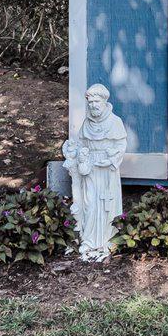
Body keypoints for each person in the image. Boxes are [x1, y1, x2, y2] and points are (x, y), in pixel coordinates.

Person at [62, 84, 127, 259]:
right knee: (89, 204)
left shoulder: (115, 122)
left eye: (96, 102)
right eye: (90, 103)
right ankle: (89, 240)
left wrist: (111, 160)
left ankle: (109, 238)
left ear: (104, 101)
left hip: (107, 171)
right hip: (90, 169)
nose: (93, 106)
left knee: (107, 205)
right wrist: (79, 157)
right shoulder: (86, 123)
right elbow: (82, 145)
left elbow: (121, 145)